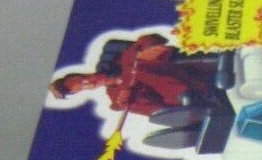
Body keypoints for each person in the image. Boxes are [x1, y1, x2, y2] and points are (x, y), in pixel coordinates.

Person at [50, 33, 219, 118]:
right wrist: (127, 102)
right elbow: (149, 102)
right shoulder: (116, 96)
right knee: (131, 102)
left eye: (82, 80)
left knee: (138, 68)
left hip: (176, 70)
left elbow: (151, 40)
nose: (88, 83)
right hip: (176, 98)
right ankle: (180, 111)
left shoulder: (117, 59)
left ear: (82, 74)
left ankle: (191, 95)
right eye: (83, 87)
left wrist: (147, 49)